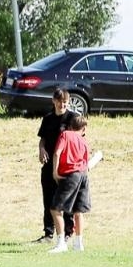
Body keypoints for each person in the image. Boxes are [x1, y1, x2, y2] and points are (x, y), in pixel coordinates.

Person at [49, 113, 93, 254]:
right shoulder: (84, 141)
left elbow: (57, 153)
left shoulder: (66, 135)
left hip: (70, 174)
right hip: (83, 175)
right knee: (78, 211)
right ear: (83, 128)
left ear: (70, 126)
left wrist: (55, 172)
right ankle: (79, 243)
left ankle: (61, 242)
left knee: (56, 209)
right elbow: (87, 164)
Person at [36, 88, 75, 242]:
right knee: (48, 199)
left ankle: (68, 232)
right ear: (53, 101)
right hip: (49, 164)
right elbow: (43, 138)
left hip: (65, 165)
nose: (62, 104)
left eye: (65, 101)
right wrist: (41, 149)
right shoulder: (48, 118)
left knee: (66, 200)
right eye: (59, 101)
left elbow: (79, 139)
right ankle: (48, 232)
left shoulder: (72, 118)